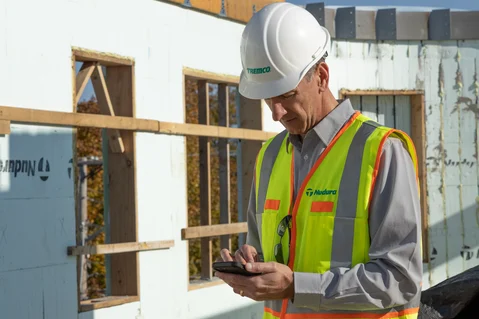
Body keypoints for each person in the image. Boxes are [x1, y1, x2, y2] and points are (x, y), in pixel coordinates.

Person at [214, 3, 422, 319]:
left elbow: (400, 279)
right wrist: (251, 262)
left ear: (321, 76)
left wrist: (296, 286)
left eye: (285, 95)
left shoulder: (382, 152)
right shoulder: (269, 157)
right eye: (268, 98)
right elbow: (263, 247)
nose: (276, 113)